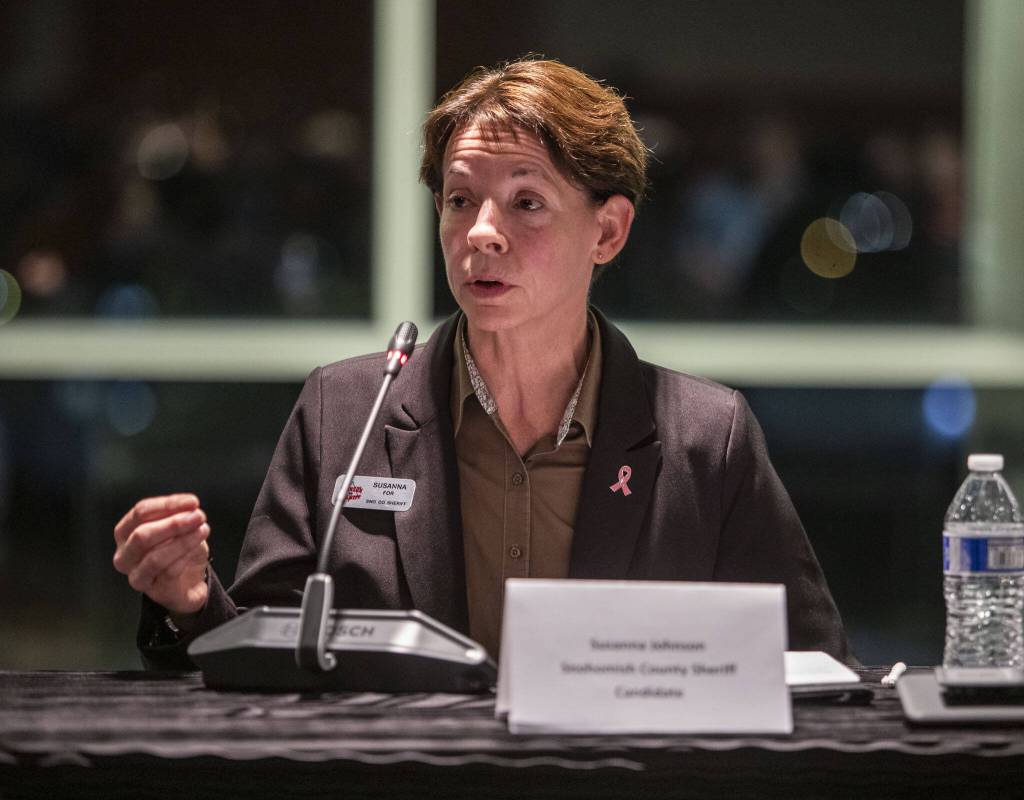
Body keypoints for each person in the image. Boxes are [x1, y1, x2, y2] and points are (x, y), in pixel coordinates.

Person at [113, 58, 850, 667]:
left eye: (526, 202)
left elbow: (811, 667)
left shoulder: (705, 436)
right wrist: (190, 599)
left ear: (609, 231)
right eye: (460, 200)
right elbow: (268, 651)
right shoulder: (345, 409)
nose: (482, 234)